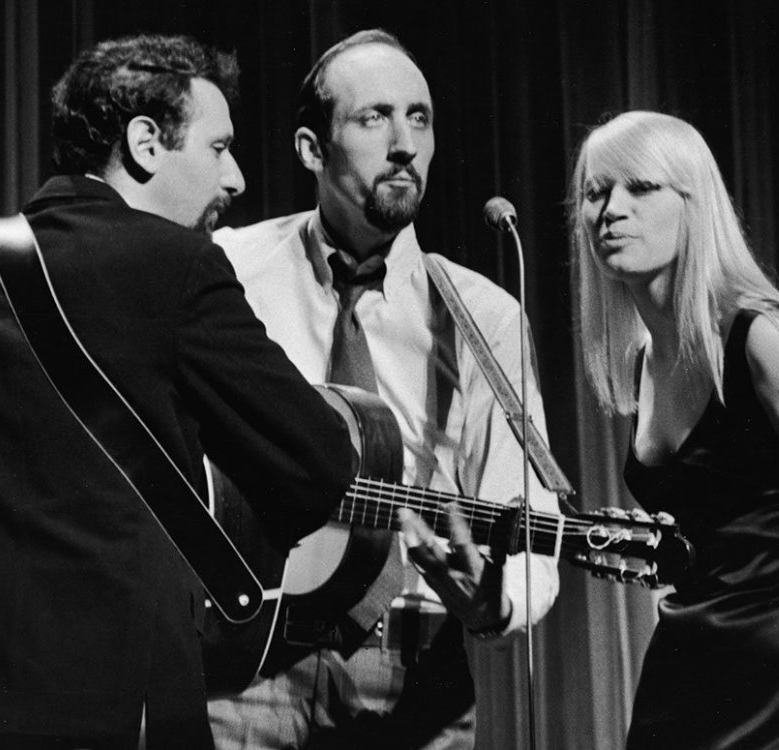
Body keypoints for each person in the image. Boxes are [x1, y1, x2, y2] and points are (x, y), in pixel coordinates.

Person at [0, 34, 357, 750]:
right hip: (127, 707)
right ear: (146, 144)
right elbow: (321, 463)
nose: (237, 177)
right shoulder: (183, 266)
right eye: (218, 148)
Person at [206, 29, 561, 749]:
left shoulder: (484, 317)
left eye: (418, 118)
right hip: (246, 658)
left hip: (412, 666)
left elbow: (531, 514)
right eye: (375, 118)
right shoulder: (229, 269)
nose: (405, 145)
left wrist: (496, 603)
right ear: (312, 148)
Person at [569, 110, 779, 750]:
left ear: (694, 203)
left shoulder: (763, 338)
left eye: (641, 187)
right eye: (595, 192)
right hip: (683, 682)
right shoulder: (642, 361)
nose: (611, 210)